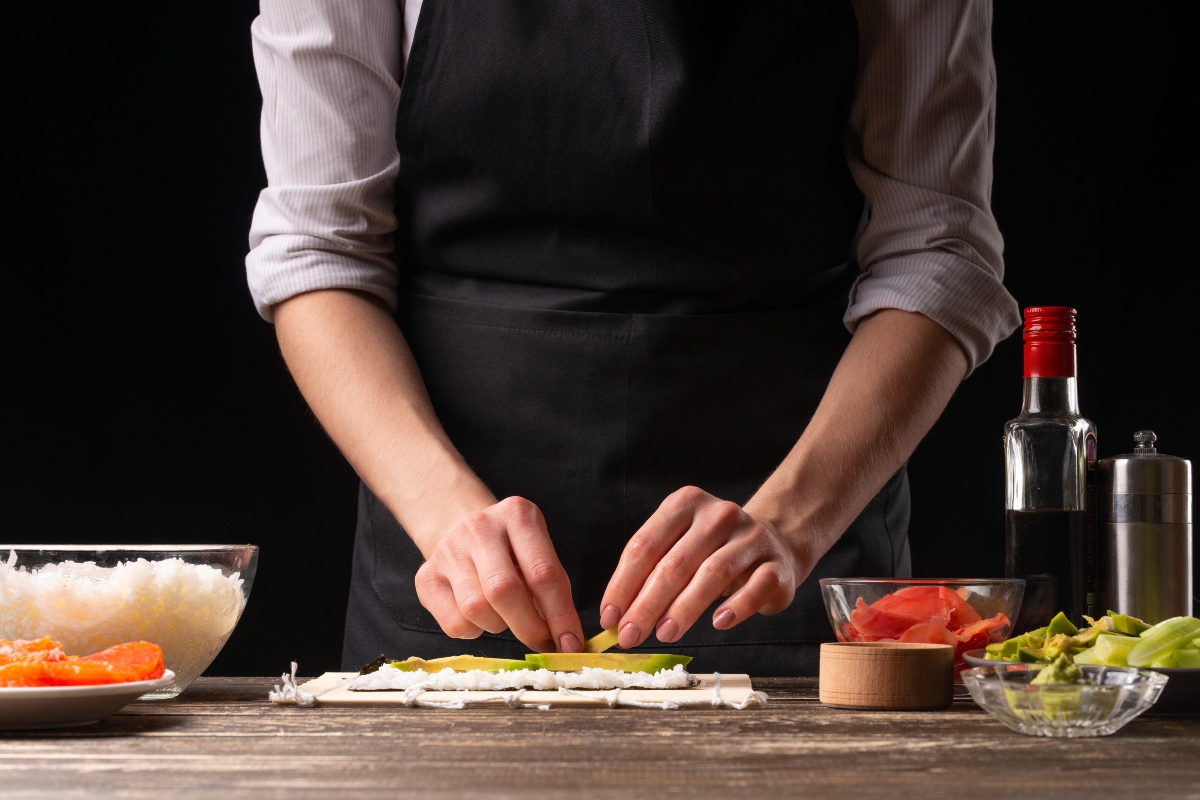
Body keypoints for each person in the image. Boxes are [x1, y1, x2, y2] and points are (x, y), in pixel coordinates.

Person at [246, 0, 1020, 675]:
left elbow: (938, 251)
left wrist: (792, 522)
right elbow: (320, 249)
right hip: (455, 552)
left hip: (783, 541)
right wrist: (442, 510)